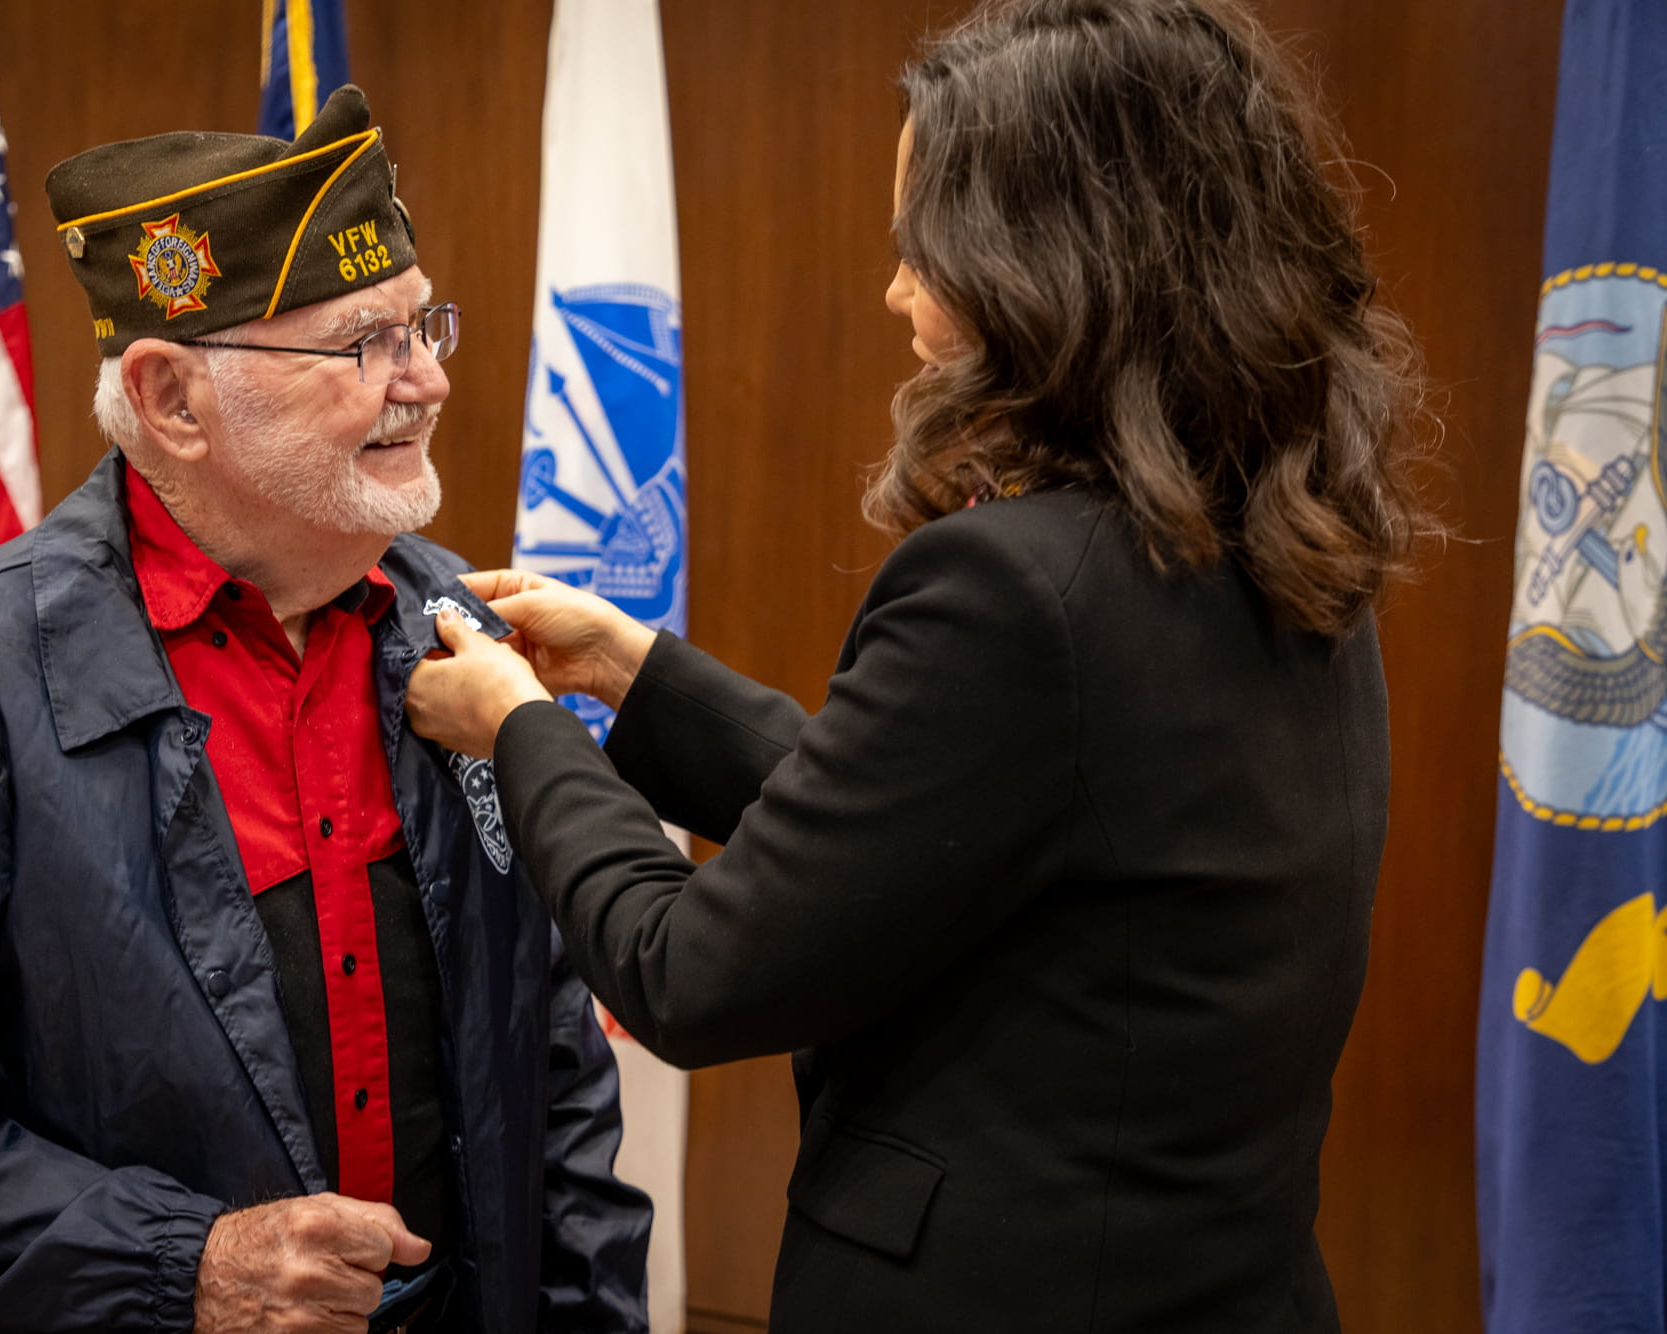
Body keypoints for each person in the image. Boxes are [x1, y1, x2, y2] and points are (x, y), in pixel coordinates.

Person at [405, 1, 1429, 1330]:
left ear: (1049, 262)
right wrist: (635, 671)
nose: (895, 290)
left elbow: (690, 968)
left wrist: (526, 723)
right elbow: (936, 828)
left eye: (922, 250)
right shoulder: (1282, 533)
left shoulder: (1015, 587)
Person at [0, 88, 649, 1334]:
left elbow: (554, 1057)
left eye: (427, 327)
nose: (425, 380)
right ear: (169, 399)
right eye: (364, 342)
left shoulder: (461, 630)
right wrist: (178, 1263)